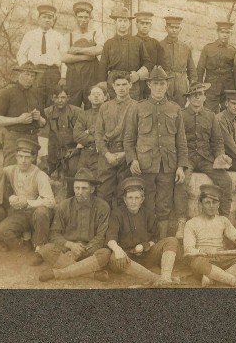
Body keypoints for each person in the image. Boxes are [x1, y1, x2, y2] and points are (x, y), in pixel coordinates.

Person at [123, 66, 189, 239]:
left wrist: (181, 166)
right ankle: (145, 241)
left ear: (167, 86)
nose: (159, 87)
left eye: (162, 84)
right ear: (149, 86)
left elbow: (181, 142)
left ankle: (162, 242)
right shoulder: (138, 108)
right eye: (155, 84)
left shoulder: (175, 109)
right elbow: (129, 139)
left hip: (167, 166)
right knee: (145, 204)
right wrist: (132, 160)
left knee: (164, 205)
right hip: (144, 166)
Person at [173, 81, 234, 239]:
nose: (197, 98)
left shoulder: (210, 115)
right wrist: (181, 163)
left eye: (199, 95)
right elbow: (176, 140)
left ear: (204, 96)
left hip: (206, 158)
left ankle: (225, 220)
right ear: (189, 98)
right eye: (193, 95)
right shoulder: (180, 114)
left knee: (226, 181)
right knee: (181, 183)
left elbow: (217, 141)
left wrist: (220, 156)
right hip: (187, 158)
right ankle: (181, 222)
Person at [36, 168, 112, 282]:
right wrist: (70, 245)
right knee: (46, 249)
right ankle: (92, 274)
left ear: (92, 189)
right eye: (77, 188)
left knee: (105, 254)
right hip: (68, 249)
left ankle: (58, 273)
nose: (79, 192)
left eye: (84, 188)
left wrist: (82, 250)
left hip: (90, 250)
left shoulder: (103, 207)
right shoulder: (64, 206)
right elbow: (54, 233)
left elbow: (101, 237)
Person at [183, 184, 236, 288]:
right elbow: (188, 250)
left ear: (219, 204)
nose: (211, 206)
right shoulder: (191, 223)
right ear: (200, 204)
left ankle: (213, 279)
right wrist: (204, 250)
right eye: (207, 202)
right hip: (204, 260)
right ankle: (235, 281)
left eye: (215, 202)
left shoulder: (223, 220)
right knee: (197, 262)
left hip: (222, 258)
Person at [107, 177, 182, 286]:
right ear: (124, 199)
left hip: (146, 256)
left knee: (171, 240)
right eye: (130, 198)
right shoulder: (117, 214)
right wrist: (117, 249)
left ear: (142, 199)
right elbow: (110, 238)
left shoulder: (148, 214)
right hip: (125, 257)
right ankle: (158, 278)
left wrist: (145, 245)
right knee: (115, 259)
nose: (133, 201)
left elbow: (155, 238)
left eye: (137, 198)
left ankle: (166, 276)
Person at [0, 138, 56, 252]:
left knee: (41, 212)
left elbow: (51, 201)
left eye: (27, 157)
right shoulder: (11, 170)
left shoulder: (40, 175)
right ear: (16, 157)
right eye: (20, 156)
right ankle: (25, 242)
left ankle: (40, 248)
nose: (23, 160)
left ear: (33, 158)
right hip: (21, 214)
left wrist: (28, 202)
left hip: (37, 214)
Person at [0, 61, 47, 166]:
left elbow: (43, 123)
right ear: (19, 74)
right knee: (10, 171)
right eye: (27, 74)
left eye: (32, 75)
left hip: (32, 139)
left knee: (30, 174)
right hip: (14, 139)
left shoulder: (38, 94)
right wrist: (19, 120)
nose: (30, 78)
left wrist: (39, 118)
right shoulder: (7, 93)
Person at [94, 71, 136, 207]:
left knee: (124, 196)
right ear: (113, 86)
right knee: (103, 195)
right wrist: (107, 154)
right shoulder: (105, 107)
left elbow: (141, 136)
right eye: (118, 85)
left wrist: (126, 154)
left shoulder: (137, 107)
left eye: (125, 84)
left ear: (130, 85)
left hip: (127, 156)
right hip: (108, 155)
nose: (121, 88)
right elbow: (98, 135)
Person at [16, 4, 67, 109]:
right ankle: (38, 124)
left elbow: (64, 58)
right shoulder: (30, 35)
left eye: (50, 17)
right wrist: (27, 71)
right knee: (35, 99)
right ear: (38, 19)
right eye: (44, 17)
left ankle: (51, 125)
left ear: (53, 20)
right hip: (36, 72)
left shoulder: (59, 36)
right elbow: (21, 54)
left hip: (53, 73)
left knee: (53, 101)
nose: (47, 20)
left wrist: (63, 76)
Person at [98, 5, 151, 100]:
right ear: (115, 23)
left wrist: (138, 75)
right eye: (120, 21)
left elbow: (147, 62)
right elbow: (102, 65)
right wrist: (103, 84)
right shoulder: (109, 43)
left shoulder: (138, 42)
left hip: (131, 81)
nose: (123, 24)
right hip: (113, 82)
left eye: (125, 21)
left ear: (129, 24)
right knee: (113, 109)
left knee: (132, 109)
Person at [61, 1, 106, 109]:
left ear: (90, 18)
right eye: (80, 17)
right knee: (72, 107)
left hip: (92, 76)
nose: (83, 20)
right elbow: (63, 57)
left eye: (86, 17)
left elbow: (98, 50)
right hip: (73, 77)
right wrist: (86, 57)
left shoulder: (96, 34)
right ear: (75, 17)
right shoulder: (68, 36)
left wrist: (75, 50)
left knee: (93, 106)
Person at [43, 85, 84, 197]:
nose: (60, 100)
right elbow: (44, 135)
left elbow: (83, 133)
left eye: (63, 97)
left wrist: (77, 148)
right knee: (44, 171)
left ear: (68, 98)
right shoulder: (47, 112)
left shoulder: (77, 112)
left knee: (73, 169)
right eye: (56, 97)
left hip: (73, 149)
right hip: (54, 149)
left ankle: (70, 198)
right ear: (52, 98)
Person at [196, 21, 236, 113]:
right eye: (222, 32)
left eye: (227, 33)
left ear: (231, 34)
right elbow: (200, 69)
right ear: (218, 32)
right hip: (211, 87)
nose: (225, 35)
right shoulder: (208, 48)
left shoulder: (233, 50)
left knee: (226, 114)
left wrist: (234, 90)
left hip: (227, 87)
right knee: (208, 113)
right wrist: (199, 87)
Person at [160, 16, 197, 107]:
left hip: (181, 83)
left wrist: (193, 83)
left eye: (176, 28)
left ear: (180, 29)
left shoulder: (185, 47)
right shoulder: (160, 45)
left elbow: (191, 68)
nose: (174, 30)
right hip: (165, 81)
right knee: (164, 107)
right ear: (166, 28)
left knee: (180, 108)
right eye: (171, 27)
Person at [73, 83, 108, 178]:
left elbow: (108, 134)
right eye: (93, 94)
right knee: (81, 178)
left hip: (101, 154)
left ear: (105, 97)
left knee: (99, 180)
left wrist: (88, 131)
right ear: (89, 98)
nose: (96, 96)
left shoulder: (109, 114)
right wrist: (96, 138)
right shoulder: (84, 115)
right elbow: (77, 135)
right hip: (85, 154)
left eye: (99, 94)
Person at [133, 11, 171, 98]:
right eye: (142, 23)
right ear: (136, 24)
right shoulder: (131, 42)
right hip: (135, 82)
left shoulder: (156, 44)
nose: (145, 26)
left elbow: (162, 64)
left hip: (151, 83)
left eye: (147, 23)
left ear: (150, 25)